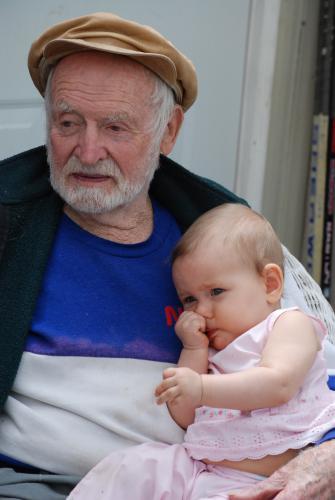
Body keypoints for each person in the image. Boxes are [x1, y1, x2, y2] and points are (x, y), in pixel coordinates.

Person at [0, 10, 334, 500]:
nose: (88, 151)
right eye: (68, 122)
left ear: (168, 132)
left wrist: (326, 460)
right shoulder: (9, 221)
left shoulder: (225, 229)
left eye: (116, 128)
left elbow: (323, 369)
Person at [68, 204, 335, 499]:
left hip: (260, 481)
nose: (202, 310)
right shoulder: (213, 348)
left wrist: (201, 386)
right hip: (200, 467)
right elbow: (186, 416)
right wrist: (194, 348)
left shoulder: (288, 324)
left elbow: (278, 384)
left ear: (270, 284)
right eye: (189, 299)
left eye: (216, 292)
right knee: (135, 465)